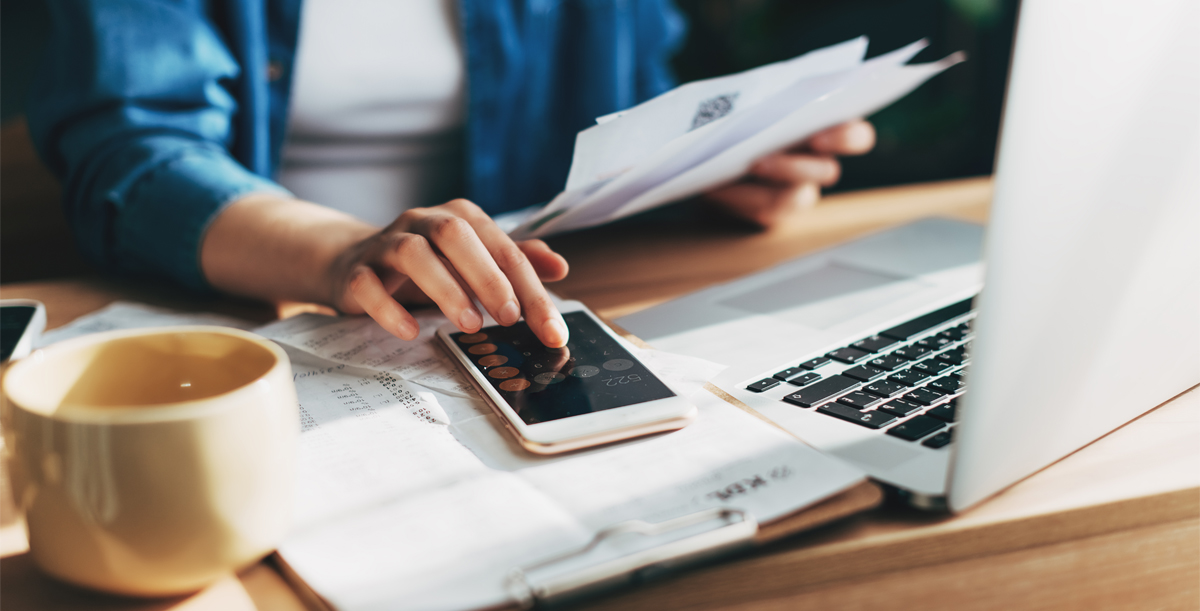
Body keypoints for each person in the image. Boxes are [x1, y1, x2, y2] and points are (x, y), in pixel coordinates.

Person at [28, 0, 875, 348]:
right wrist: (342, 253)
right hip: (252, 316)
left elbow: (619, 99)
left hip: (518, 311)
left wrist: (709, 169)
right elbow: (134, 160)